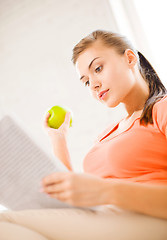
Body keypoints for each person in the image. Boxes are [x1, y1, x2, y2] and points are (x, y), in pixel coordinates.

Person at [0, 30, 167, 240]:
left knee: (4, 223)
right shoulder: (106, 135)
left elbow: (103, 191)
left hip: (151, 220)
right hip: (108, 220)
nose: (94, 85)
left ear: (129, 58)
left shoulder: (162, 109)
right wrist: (58, 139)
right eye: (86, 81)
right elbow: (70, 201)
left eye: (98, 68)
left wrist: (106, 191)